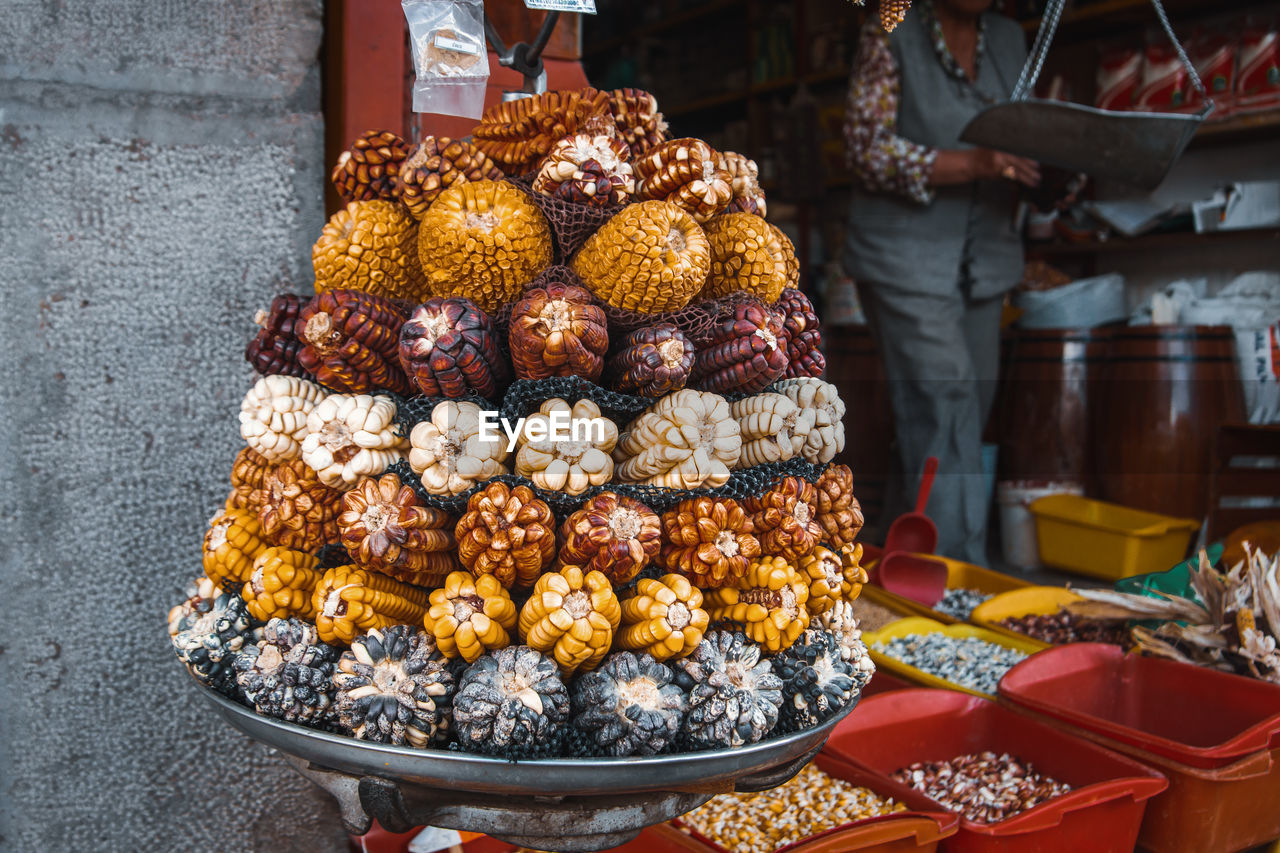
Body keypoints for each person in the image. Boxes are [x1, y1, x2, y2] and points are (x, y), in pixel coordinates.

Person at [842, 0, 1040, 565]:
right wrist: (972, 164)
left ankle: (892, 568)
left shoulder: (1007, 37)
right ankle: (955, 578)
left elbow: (1025, 137)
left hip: (985, 258)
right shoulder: (892, 20)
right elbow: (866, 147)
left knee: (958, 416)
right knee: (945, 399)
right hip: (903, 255)